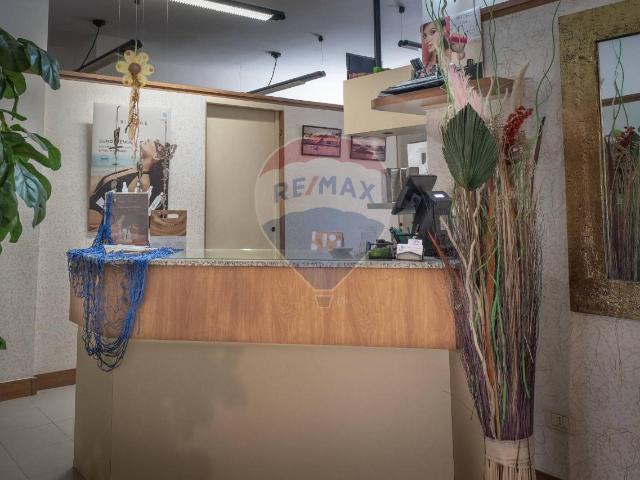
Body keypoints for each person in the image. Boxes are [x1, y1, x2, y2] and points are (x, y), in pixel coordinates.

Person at [88, 139, 164, 230]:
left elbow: (123, 215)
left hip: (95, 216)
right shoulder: (132, 169)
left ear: (156, 156)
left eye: (156, 143)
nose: (148, 139)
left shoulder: (142, 182)